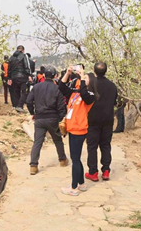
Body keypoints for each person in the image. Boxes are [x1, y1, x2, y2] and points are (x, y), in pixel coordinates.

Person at [58, 66, 98, 196]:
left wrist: (81, 78)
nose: (81, 78)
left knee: (75, 159)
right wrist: (67, 73)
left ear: (90, 82)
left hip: (79, 130)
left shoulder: (90, 95)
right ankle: (81, 183)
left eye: (85, 78)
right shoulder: (75, 92)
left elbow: (85, 94)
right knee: (76, 158)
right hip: (72, 128)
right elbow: (61, 86)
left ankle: (74, 188)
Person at [26, 65, 69, 175]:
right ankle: (62, 160)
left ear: (44, 75)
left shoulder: (36, 87)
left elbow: (29, 101)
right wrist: (61, 119)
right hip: (53, 118)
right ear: (55, 76)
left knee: (37, 142)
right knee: (58, 140)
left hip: (39, 118)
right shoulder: (56, 88)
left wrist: (33, 113)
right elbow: (61, 106)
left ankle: (33, 166)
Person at [85, 62, 118, 182]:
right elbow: (114, 102)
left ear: (94, 71)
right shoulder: (112, 85)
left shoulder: (91, 84)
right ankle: (106, 170)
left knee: (92, 146)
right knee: (105, 145)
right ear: (106, 71)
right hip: (108, 119)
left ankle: (93, 172)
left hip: (93, 120)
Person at [8, 45, 32, 112]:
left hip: (13, 77)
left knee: (16, 92)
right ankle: (20, 106)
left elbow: (9, 69)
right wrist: (29, 75)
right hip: (22, 77)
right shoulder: (24, 56)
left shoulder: (11, 57)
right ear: (23, 50)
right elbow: (27, 66)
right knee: (24, 92)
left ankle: (16, 107)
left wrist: (9, 78)